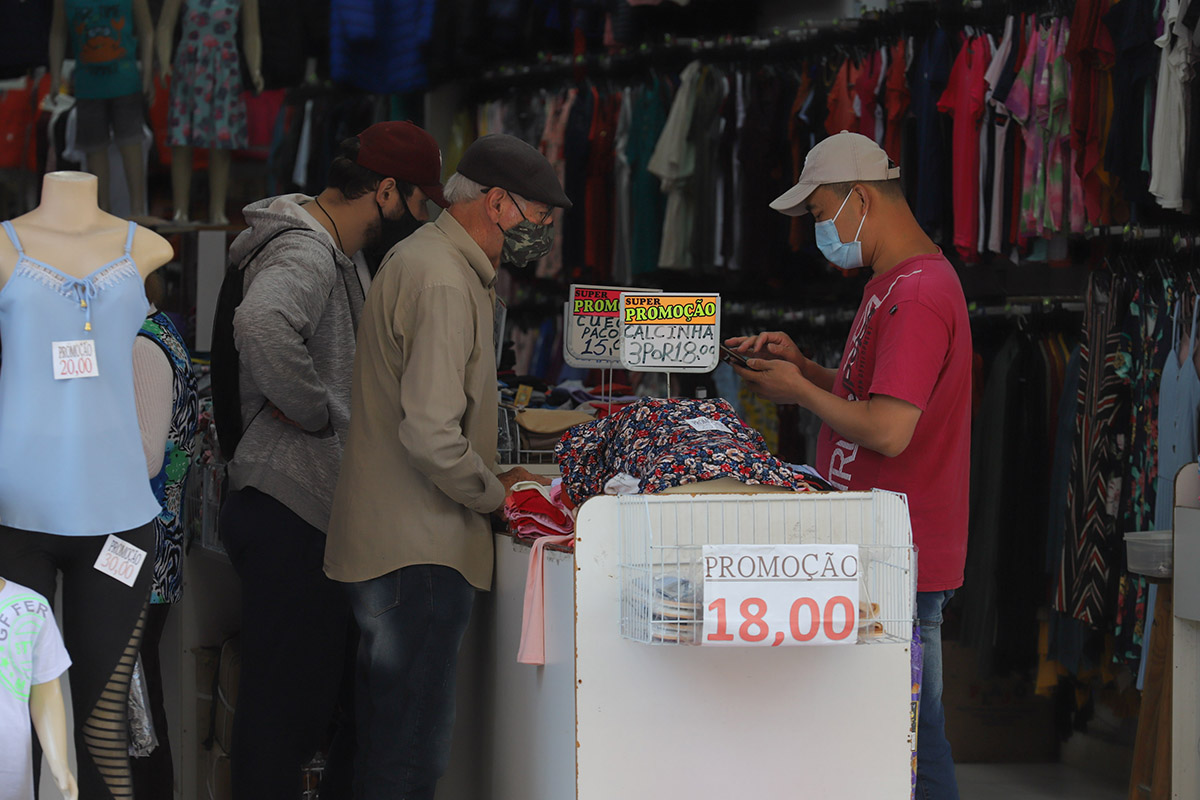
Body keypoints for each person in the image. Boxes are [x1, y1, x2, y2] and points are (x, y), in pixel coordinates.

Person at [323, 133, 571, 800]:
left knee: (375, 745)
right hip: (420, 554)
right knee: (405, 759)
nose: (544, 232)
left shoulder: (428, 261)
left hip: (394, 549)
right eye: (540, 216)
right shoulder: (442, 279)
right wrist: (499, 496)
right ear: (497, 203)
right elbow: (432, 436)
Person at [727, 131, 971, 800]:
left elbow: (889, 430)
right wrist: (806, 368)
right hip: (879, 550)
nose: (818, 233)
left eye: (819, 213)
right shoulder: (893, 283)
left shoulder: (916, 295)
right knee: (893, 734)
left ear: (860, 198)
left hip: (901, 556)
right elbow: (877, 394)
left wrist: (800, 393)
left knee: (912, 739)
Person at [217, 120, 446, 800]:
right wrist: (315, 410)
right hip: (291, 506)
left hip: (300, 506)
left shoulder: (333, 252)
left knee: (311, 706)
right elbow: (262, 323)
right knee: (283, 717)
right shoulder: (309, 252)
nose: (422, 218)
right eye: (419, 202)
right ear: (386, 191)